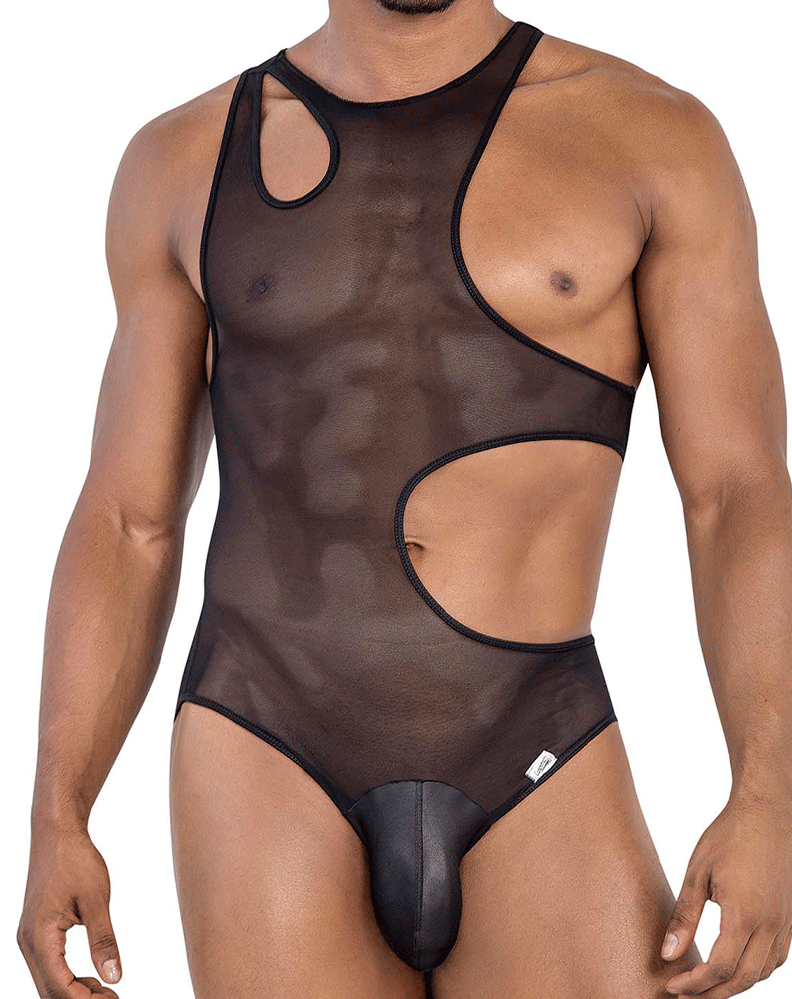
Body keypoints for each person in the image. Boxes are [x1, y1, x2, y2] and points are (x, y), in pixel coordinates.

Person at [17, 0, 792, 996]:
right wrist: (58, 815)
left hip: (535, 733)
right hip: (266, 738)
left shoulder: (654, 138)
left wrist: (770, 793)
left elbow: (736, 493)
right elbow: (129, 519)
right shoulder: (183, 159)